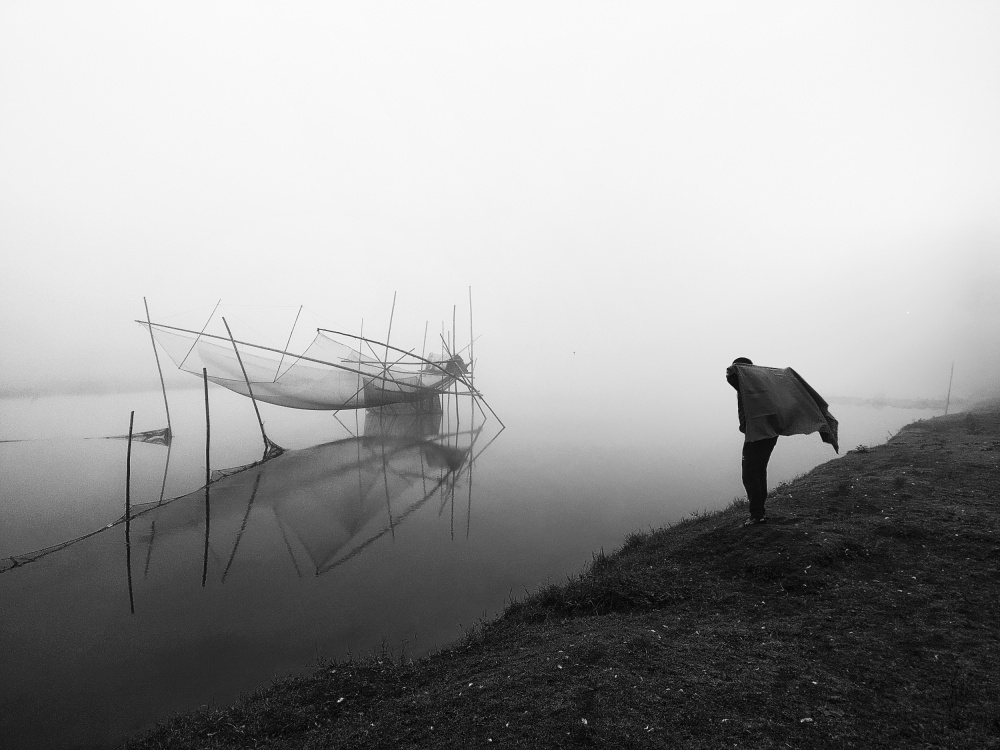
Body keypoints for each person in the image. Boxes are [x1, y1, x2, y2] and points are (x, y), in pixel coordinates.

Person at [726, 357, 778, 527]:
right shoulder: (760, 386)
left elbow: (731, 375)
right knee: (758, 470)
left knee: (749, 473)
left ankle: (757, 514)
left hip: (758, 434)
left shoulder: (748, 385)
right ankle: (759, 511)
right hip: (767, 433)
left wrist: (740, 369)